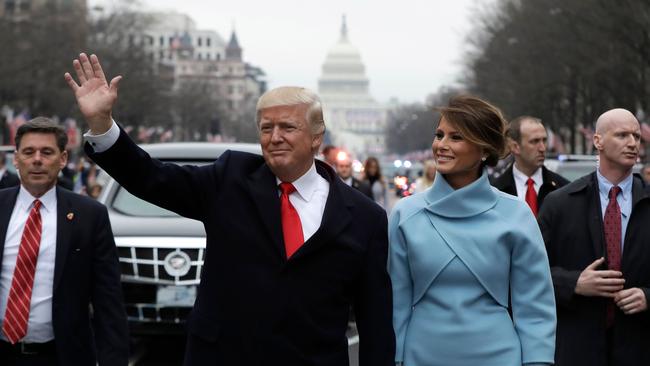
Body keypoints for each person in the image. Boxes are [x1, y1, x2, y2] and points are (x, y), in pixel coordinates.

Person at [65, 53, 394, 365]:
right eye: (267, 128)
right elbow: (151, 177)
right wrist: (103, 125)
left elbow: (375, 322)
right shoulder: (229, 180)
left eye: (288, 127)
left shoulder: (365, 218)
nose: (275, 137)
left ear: (316, 137)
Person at [389, 95, 556, 366]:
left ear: (484, 149)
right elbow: (396, 304)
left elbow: (535, 306)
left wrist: (537, 362)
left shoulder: (517, 214)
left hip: (499, 357)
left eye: (456, 137)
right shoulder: (405, 214)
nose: (441, 145)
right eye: (439, 135)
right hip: (421, 357)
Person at [0, 117, 128, 365]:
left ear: (62, 159)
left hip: (62, 355)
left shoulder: (90, 216)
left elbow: (108, 301)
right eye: (28, 152)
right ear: (16, 159)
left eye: (47, 152)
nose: (37, 159)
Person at [538, 108, 650, 366]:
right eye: (622, 135)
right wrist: (574, 283)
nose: (633, 143)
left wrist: (648, 296)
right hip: (578, 347)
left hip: (640, 347)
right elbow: (528, 273)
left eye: (636, 136)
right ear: (597, 141)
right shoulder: (559, 204)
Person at [492, 116, 569, 215]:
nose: (542, 148)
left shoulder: (563, 189)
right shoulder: (496, 192)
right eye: (535, 141)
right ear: (515, 147)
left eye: (544, 140)